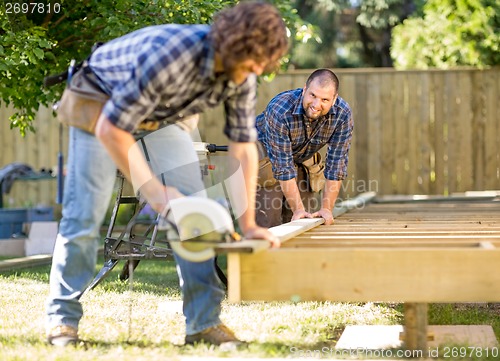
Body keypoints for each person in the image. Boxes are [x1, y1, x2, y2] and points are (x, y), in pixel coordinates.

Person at [45, 1, 288, 347]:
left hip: (160, 117)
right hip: (101, 104)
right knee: (85, 212)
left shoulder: (242, 74)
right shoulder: (172, 55)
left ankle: (203, 324)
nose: (257, 67)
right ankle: (62, 322)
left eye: (263, 61)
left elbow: (243, 147)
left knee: (194, 212)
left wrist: (248, 225)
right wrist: (156, 194)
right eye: (252, 58)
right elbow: (113, 128)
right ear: (232, 43)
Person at [255, 69, 353, 228]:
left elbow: (337, 165)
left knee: (305, 221)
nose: (316, 105)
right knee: (269, 221)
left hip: (301, 156)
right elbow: (283, 167)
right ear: (304, 89)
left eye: (324, 99)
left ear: (334, 99)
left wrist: (327, 209)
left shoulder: (342, 115)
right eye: (313, 95)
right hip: (265, 154)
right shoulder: (280, 109)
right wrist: (298, 209)